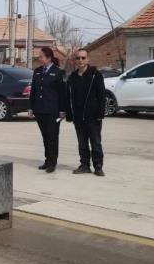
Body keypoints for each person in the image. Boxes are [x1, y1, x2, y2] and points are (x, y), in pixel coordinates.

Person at [65, 48, 106, 176]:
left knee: (95, 143)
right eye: (78, 58)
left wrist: (100, 114)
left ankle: (98, 166)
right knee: (82, 143)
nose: (80, 60)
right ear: (75, 60)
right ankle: (84, 165)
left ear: (88, 59)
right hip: (78, 117)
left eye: (83, 58)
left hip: (93, 116)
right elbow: (68, 97)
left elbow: (101, 95)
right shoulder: (72, 77)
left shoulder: (95, 75)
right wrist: (69, 114)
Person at [28, 47, 66, 173]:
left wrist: (62, 110)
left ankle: (52, 162)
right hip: (40, 110)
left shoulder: (58, 72)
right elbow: (33, 91)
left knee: (52, 137)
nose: (39, 59)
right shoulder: (37, 71)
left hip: (53, 111)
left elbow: (62, 93)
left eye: (41, 57)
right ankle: (47, 160)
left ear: (49, 58)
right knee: (45, 136)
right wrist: (31, 107)